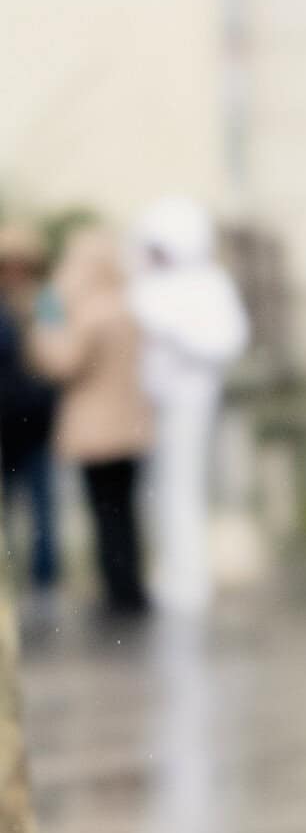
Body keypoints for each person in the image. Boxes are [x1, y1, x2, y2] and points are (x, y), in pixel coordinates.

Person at [129, 197, 251, 617]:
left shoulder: (209, 284)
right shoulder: (146, 283)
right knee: (153, 492)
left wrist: (176, 334)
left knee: (184, 487)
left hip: (191, 400)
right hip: (147, 402)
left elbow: (228, 340)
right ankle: (166, 570)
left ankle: (190, 575)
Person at [29, 226, 152, 619]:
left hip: (96, 430)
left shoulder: (90, 314)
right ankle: (130, 588)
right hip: (129, 425)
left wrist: (47, 321)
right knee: (125, 512)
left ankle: (118, 594)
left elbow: (61, 363)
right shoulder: (125, 306)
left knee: (105, 513)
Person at [0, 222, 60, 607]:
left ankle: (44, 582)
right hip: (6, 416)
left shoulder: (47, 302)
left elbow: (57, 351)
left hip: (37, 415)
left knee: (41, 502)